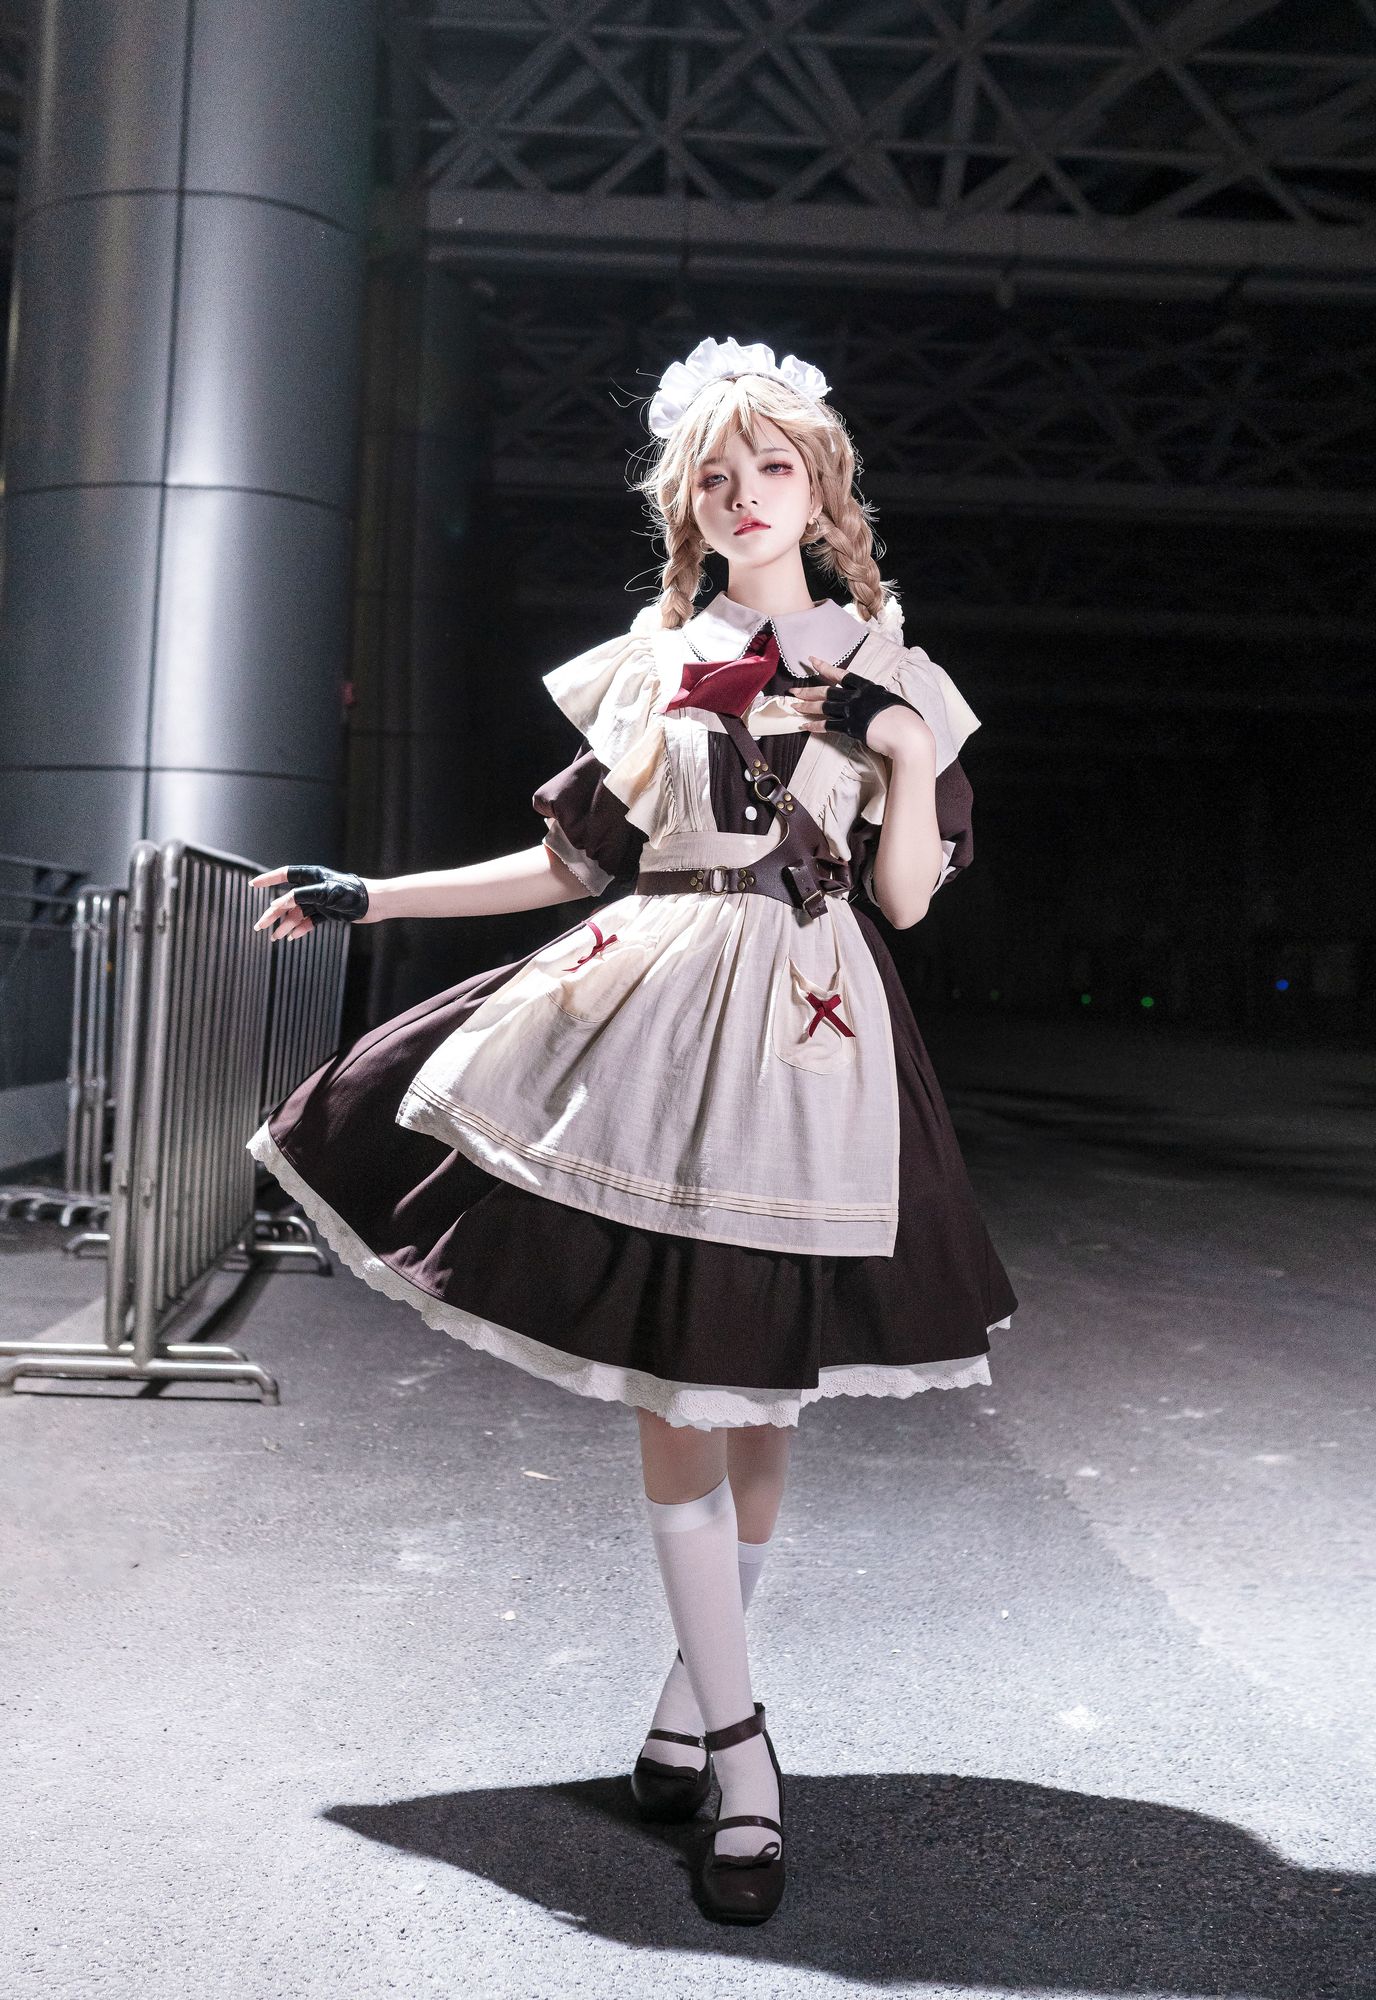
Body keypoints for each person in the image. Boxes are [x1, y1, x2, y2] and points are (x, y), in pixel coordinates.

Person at [246, 334, 1018, 1926]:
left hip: (812, 1032)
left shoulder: (894, 667)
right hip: (656, 1013)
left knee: (762, 1399)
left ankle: (685, 1706)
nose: (745, 496)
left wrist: (895, 743)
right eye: (715, 478)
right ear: (689, 506)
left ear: (822, 487)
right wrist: (371, 894)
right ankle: (740, 1753)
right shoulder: (656, 662)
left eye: (772, 468)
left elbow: (905, 903)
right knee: (683, 1375)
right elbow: (568, 864)